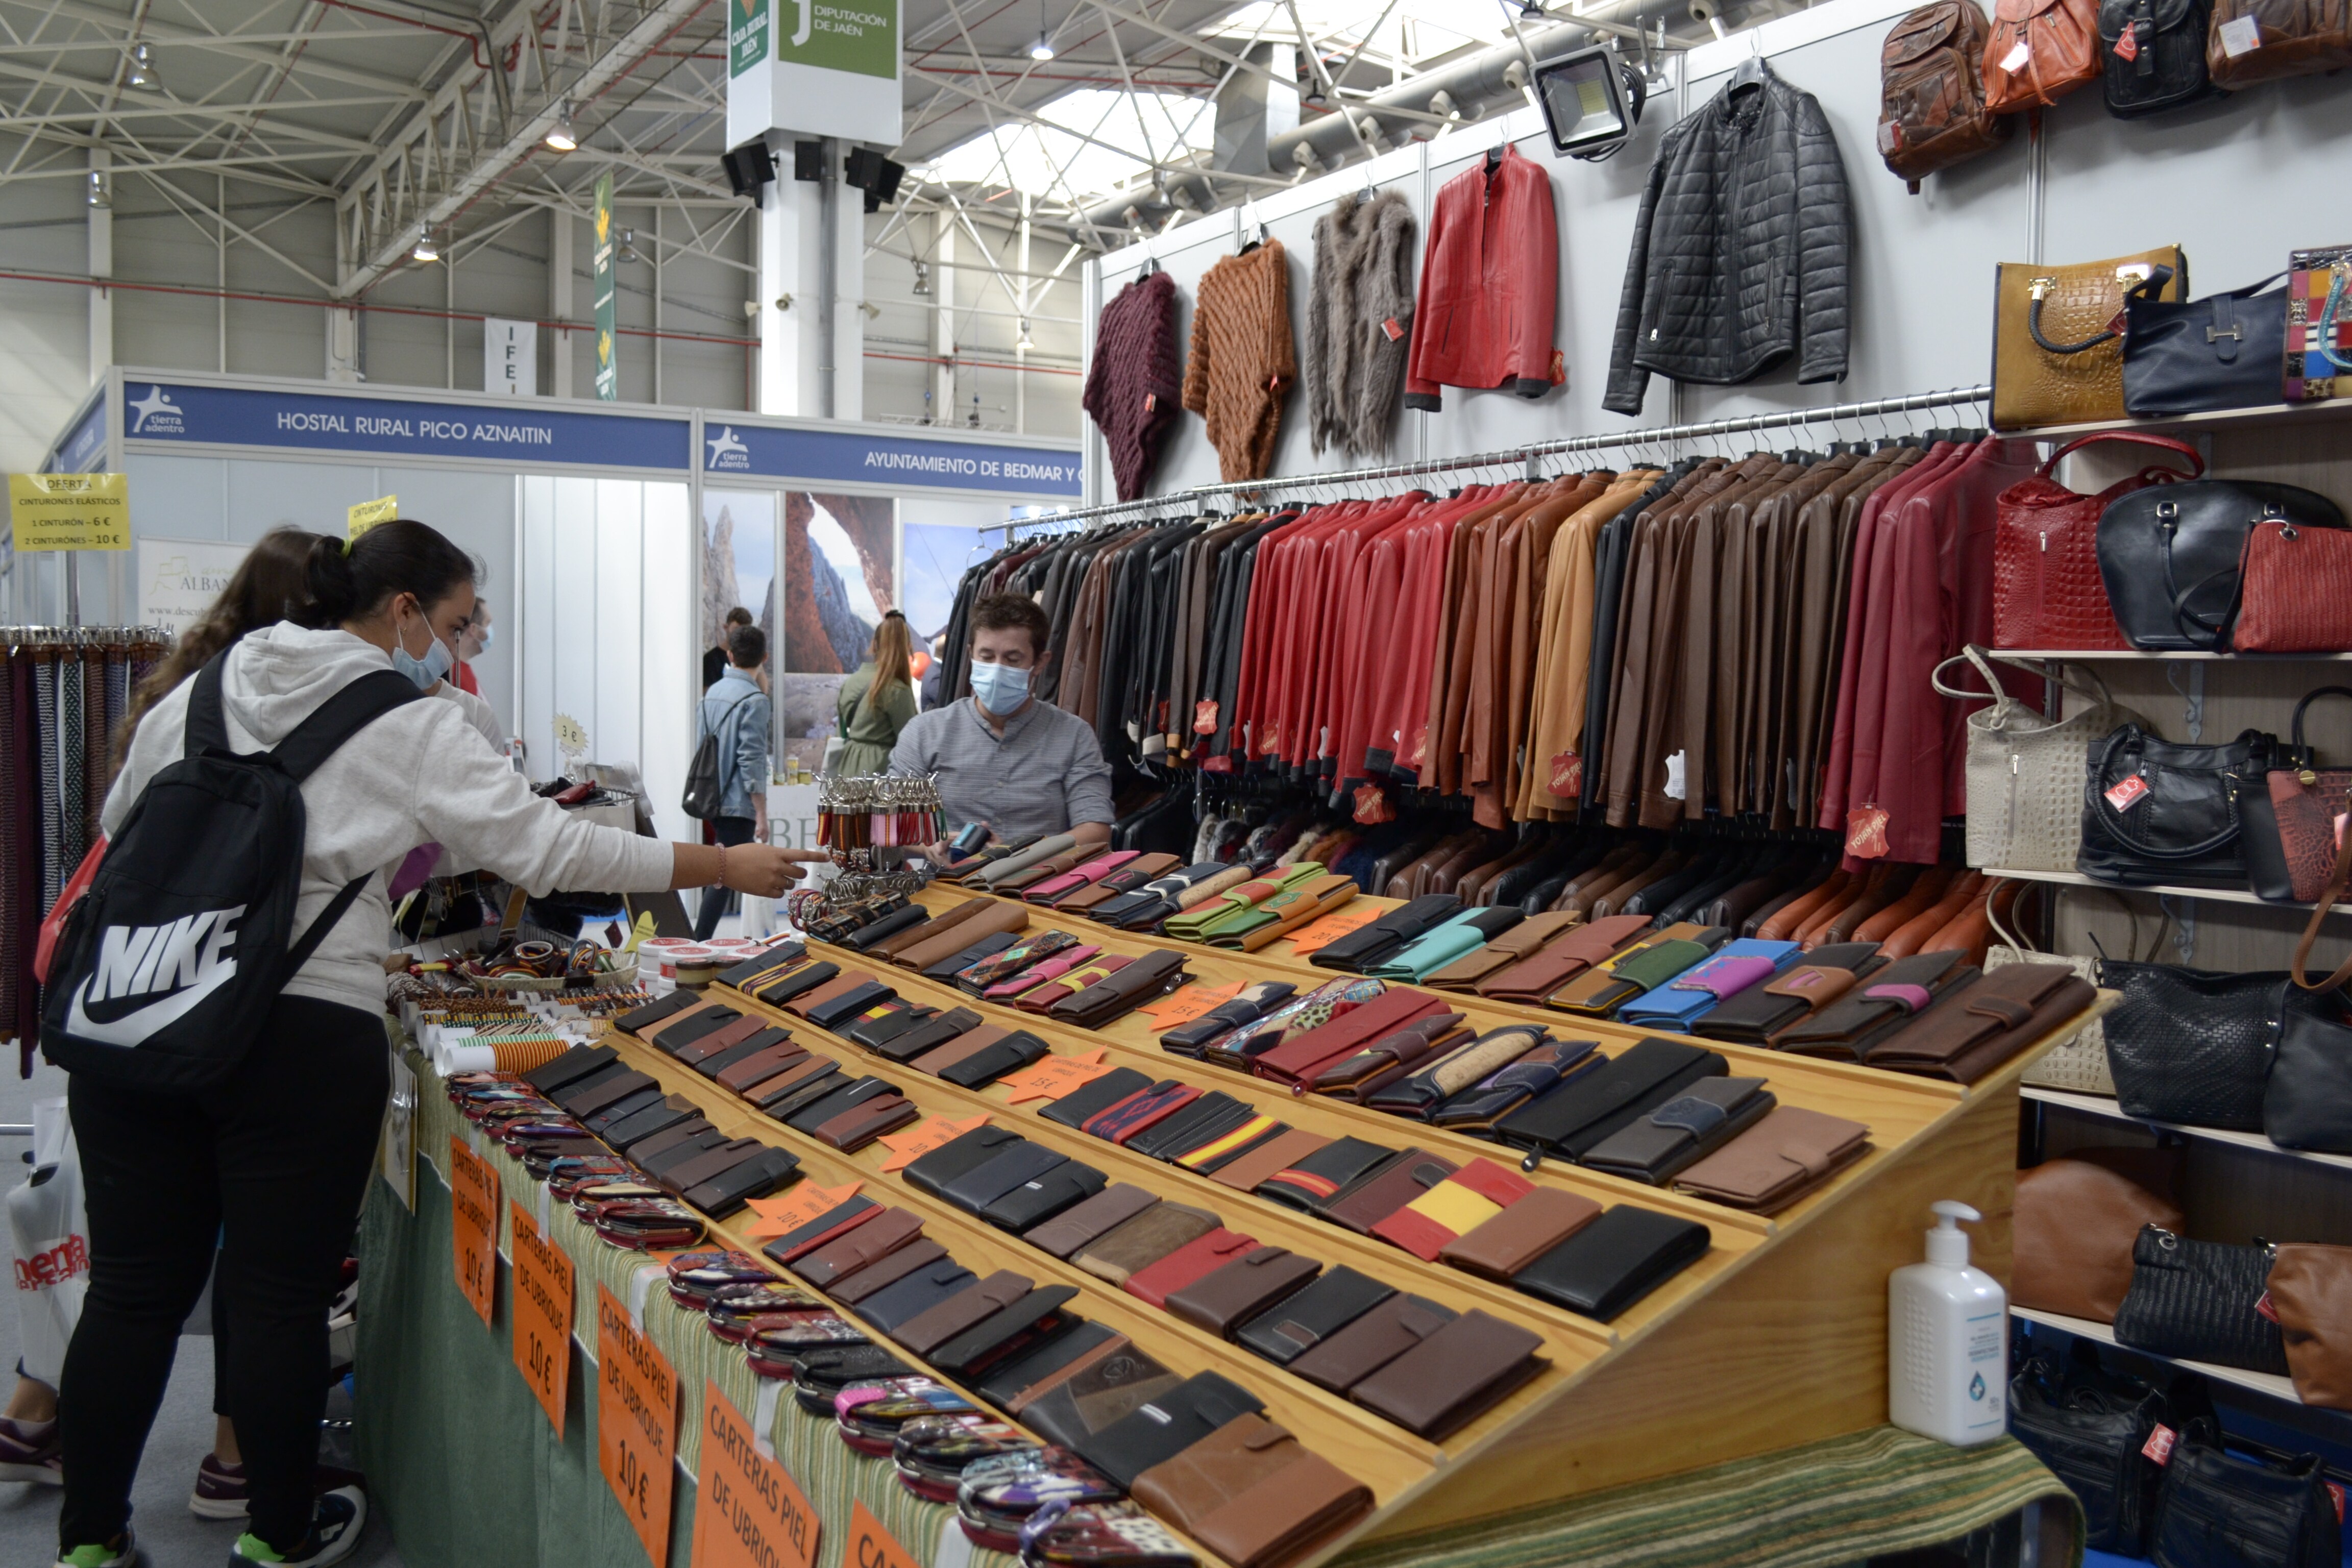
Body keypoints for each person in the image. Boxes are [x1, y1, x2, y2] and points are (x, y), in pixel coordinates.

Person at [61, 521, 820, 1568]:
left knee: (132, 1290)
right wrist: (722, 868)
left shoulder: (211, 682)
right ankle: (277, 1539)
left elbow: (119, 818)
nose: (469, 643)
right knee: (277, 1295)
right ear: (403, 611)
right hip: (300, 1027)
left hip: (142, 1012)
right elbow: (547, 851)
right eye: (461, 621)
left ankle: (89, 1542)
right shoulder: (409, 718)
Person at [889, 593, 1112, 861]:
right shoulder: (924, 732)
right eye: (987, 656)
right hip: (947, 891)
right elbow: (890, 825)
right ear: (971, 654)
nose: (997, 669)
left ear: (1040, 662)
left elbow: (1096, 830)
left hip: (1040, 891)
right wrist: (927, 844)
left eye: (1013, 659)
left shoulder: (1074, 736)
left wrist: (1018, 853)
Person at [692, 622, 773, 941]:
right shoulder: (755, 699)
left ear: (730, 654)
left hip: (710, 795)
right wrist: (762, 814)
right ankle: (698, 943)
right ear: (765, 656)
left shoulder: (713, 693)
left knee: (723, 871)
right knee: (726, 874)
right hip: (736, 802)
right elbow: (751, 760)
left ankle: (713, 940)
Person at [834, 610, 919, 777]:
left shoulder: (851, 683)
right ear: (907, 647)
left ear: (874, 644)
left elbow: (841, 733)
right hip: (880, 772)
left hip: (846, 768)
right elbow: (910, 742)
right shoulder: (897, 689)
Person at [702, 605, 751, 692]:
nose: (740, 634)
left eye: (744, 631)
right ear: (726, 627)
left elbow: (763, 690)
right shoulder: (711, 659)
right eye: (736, 629)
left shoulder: (749, 658)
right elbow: (708, 693)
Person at [451, 595, 491, 697]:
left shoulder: (463, 671)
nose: (490, 630)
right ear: (473, 629)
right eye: (487, 623)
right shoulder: (454, 674)